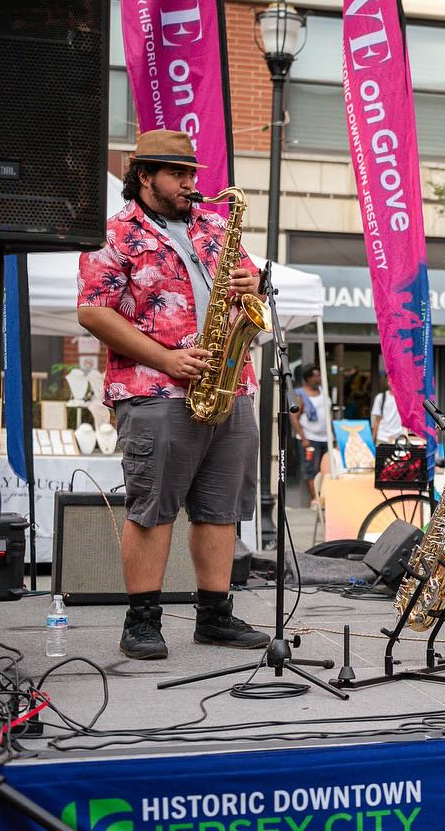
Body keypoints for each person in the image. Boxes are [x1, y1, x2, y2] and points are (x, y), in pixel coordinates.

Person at [76, 129, 270, 660]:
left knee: (222, 507)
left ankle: (215, 615)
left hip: (229, 384)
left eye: (191, 175)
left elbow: (253, 286)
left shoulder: (214, 224)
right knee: (153, 508)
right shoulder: (113, 234)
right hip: (155, 388)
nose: (190, 185)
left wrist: (255, 287)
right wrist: (165, 358)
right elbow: (92, 311)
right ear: (144, 177)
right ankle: (141, 621)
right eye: (178, 175)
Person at [291, 365, 330, 507]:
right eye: (316, 376)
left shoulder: (323, 391)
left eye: (319, 376)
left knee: (325, 468)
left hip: (325, 437)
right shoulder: (300, 394)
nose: (318, 379)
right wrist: (303, 438)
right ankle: (316, 499)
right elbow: (294, 417)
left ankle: (325, 497)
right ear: (308, 379)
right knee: (311, 469)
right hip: (309, 438)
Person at [370, 375, 406, 444]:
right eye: (390, 380)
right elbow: (377, 420)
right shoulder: (380, 398)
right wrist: (373, 440)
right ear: (388, 382)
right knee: (382, 455)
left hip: (399, 438)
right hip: (382, 438)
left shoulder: (404, 399)